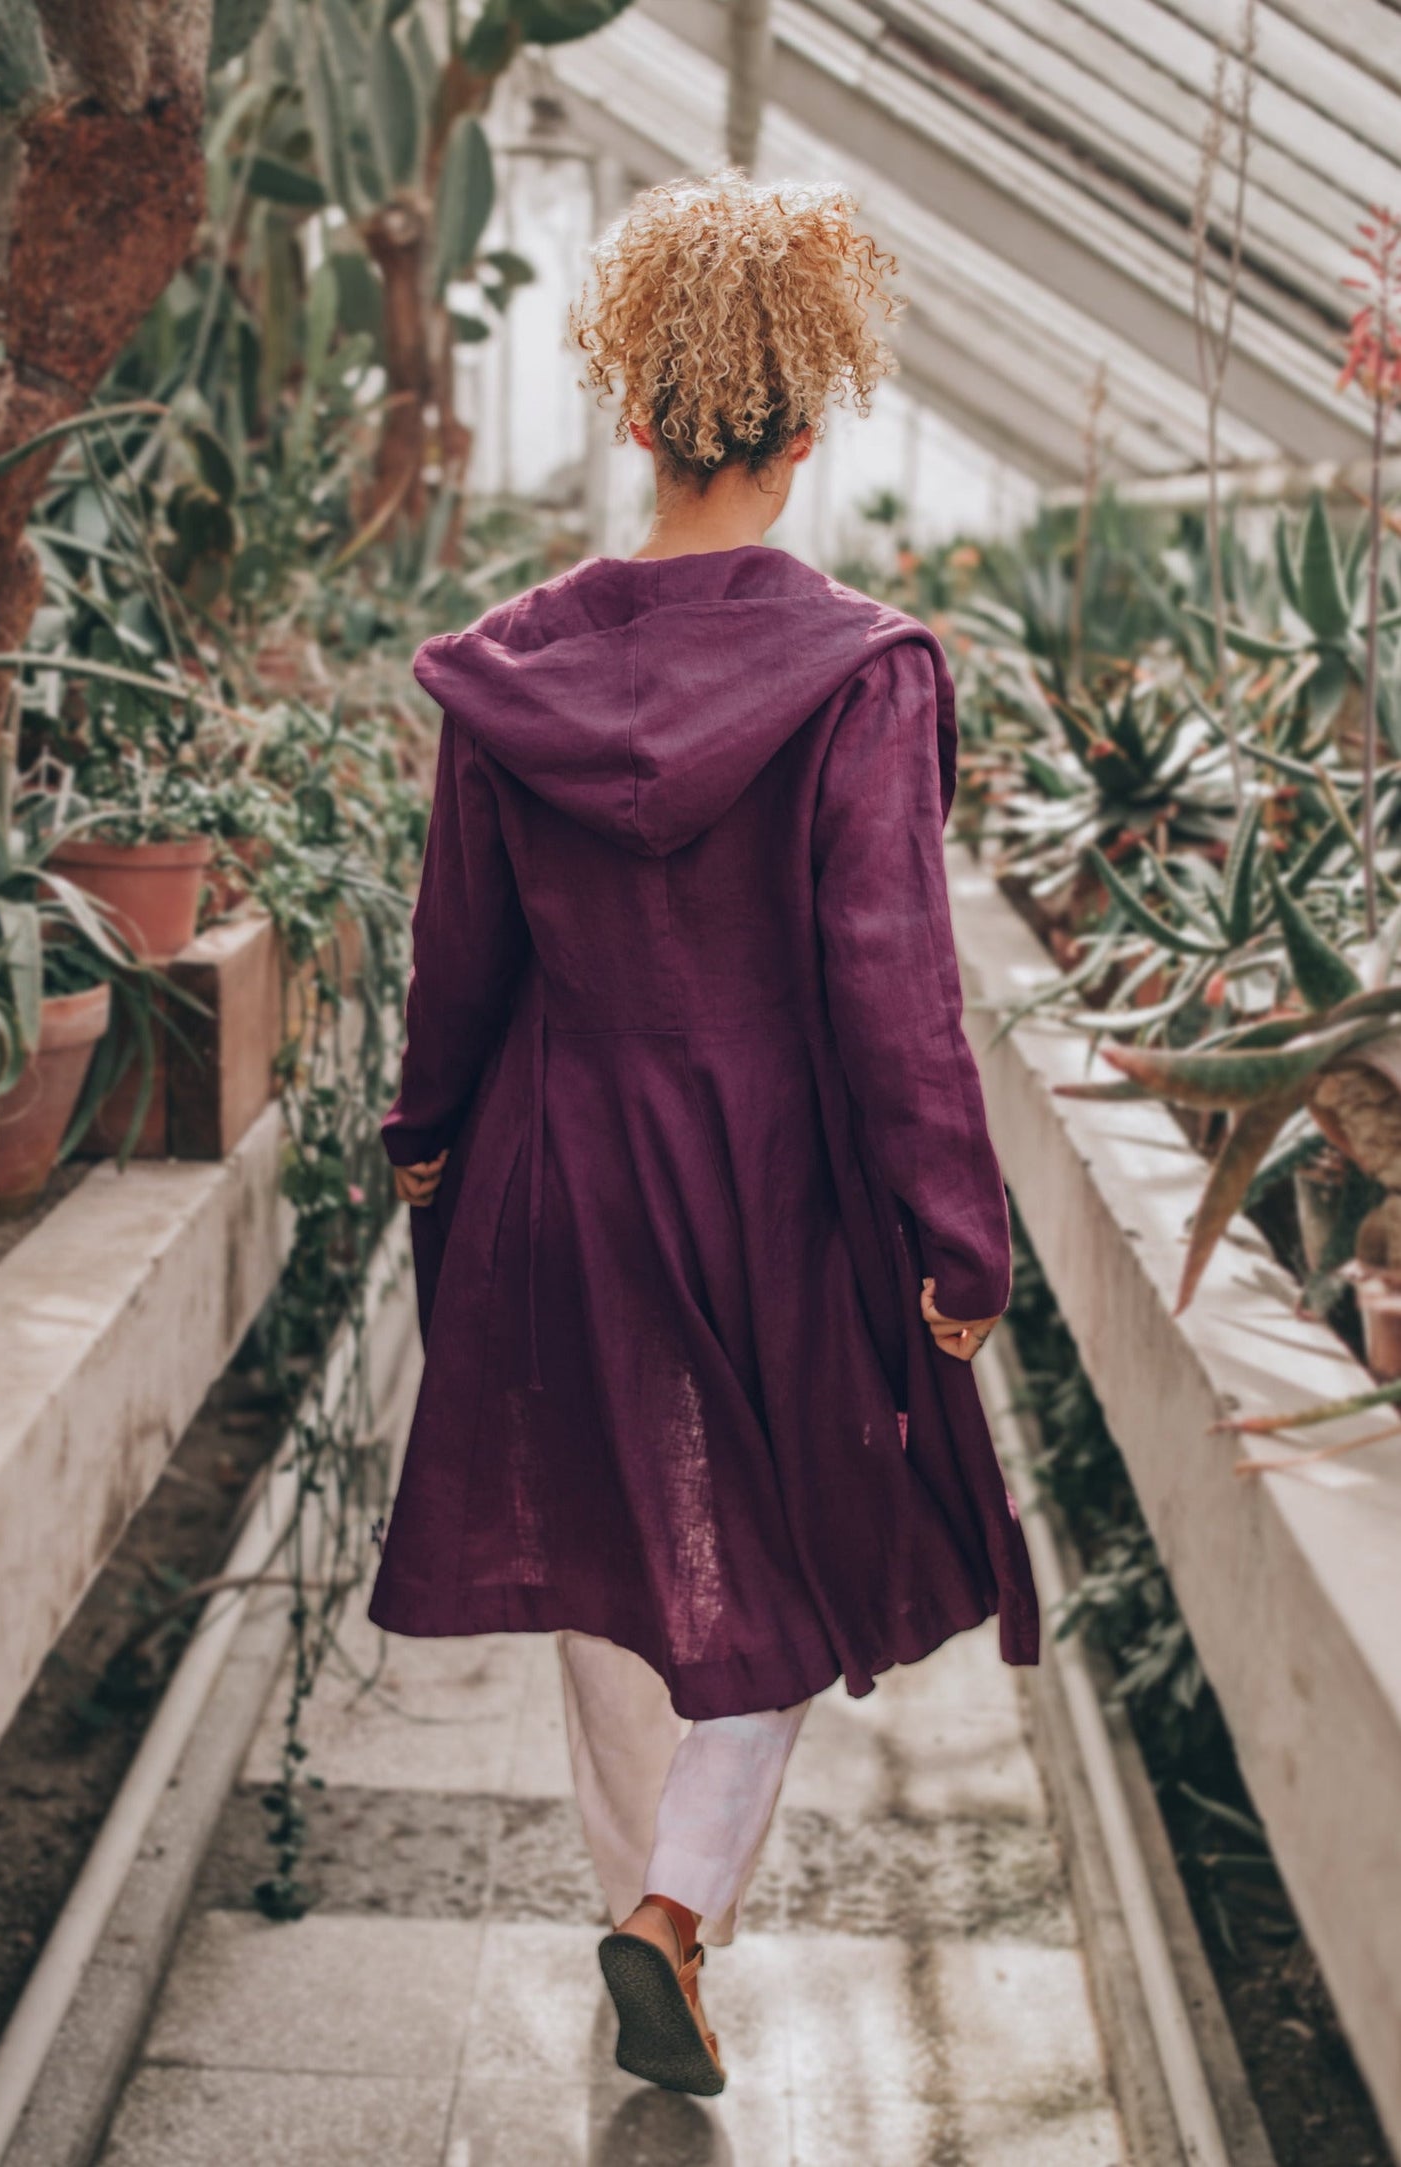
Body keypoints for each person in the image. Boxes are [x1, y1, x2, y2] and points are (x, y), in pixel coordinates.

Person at [371, 170, 1038, 2097]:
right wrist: (956, 1229)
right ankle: (669, 1914)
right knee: (795, 1546)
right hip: (776, 1185)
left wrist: (425, 1131)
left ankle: (645, 1911)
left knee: (613, 1542)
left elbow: (456, 950)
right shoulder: (860, 674)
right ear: (807, 433)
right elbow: (891, 979)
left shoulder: (509, 673)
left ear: (637, 417)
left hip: (557, 1159)